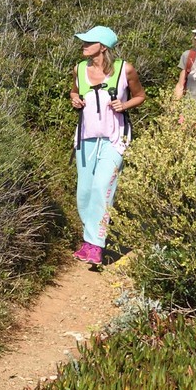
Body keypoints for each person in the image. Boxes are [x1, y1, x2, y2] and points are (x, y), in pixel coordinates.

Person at [69, 25, 144, 266]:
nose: (83, 45)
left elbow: (140, 96)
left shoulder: (125, 69)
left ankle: (95, 245)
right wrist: (75, 100)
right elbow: (73, 93)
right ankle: (89, 241)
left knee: (103, 188)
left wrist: (126, 105)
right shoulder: (79, 69)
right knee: (85, 193)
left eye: (88, 41)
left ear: (102, 46)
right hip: (86, 137)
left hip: (115, 138)